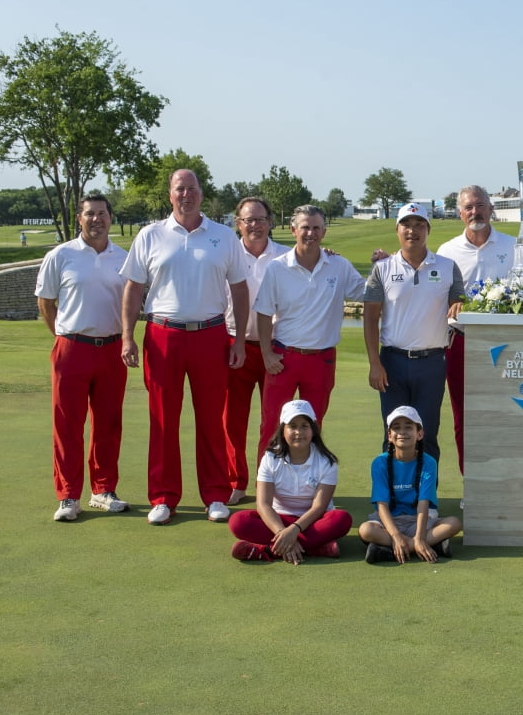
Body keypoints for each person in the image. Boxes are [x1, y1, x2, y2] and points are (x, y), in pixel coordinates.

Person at [120, 169, 249, 525]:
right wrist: (127, 335)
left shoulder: (223, 237)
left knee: (211, 419)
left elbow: (239, 289)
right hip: (163, 335)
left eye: (192, 189)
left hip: (211, 334)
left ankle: (216, 495)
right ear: (170, 194)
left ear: (202, 194)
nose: (186, 195)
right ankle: (163, 497)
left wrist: (238, 339)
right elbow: (133, 288)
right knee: (163, 419)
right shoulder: (150, 235)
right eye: (180, 189)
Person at [35, 194, 129, 521]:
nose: (96, 219)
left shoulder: (124, 257)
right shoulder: (61, 255)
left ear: (110, 217)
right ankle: (68, 496)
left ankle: (103, 490)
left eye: (102, 213)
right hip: (72, 348)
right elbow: (46, 301)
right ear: (79, 218)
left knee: (108, 424)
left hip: (113, 350)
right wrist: (62, 334)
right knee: (68, 424)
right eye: (89, 214)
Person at [255, 204, 366, 456]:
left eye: (316, 228)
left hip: (322, 358)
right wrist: (266, 353)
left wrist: (384, 265)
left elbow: (366, 292)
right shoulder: (277, 267)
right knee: (272, 425)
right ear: (294, 230)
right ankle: (268, 488)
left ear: (324, 232)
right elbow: (263, 313)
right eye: (305, 227)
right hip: (283, 357)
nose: (310, 233)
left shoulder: (339, 265)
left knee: (312, 427)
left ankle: (309, 487)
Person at [363, 203, 464, 465]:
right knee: (393, 433)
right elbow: (371, 318)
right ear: (397, 230)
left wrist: (459, 303)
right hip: (392, 362)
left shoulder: (447, 266)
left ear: (428, 229)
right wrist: (375, 363)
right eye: (407, 225)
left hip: (432, 362)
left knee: (427, 433)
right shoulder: (382, 268)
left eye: (419, 225)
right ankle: (390, 502)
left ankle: (427, 501)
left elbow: (458, 300)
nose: (413, 230)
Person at [436, 186, 516, 473]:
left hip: (504, 343)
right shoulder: (447, 251)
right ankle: (472, 482)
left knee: (506, 413)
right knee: (464, 417)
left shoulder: (513, 246)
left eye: (480, 205)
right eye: (469, 207)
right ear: (460, 213)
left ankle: (503, 479)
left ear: (491, 208)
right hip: (461, 343)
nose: (475, 212)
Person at [227, 399, 353, 563]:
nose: (298, 432)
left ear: (313, 430)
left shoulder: (327, 461)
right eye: (292, 426)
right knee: (238, 522)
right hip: (278, 520)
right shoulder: (270, 458)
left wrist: (293, 531)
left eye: (304, 426)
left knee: (342, 519)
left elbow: (319, 507)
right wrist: (282, 532)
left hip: (314, 521)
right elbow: (263, 505)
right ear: (283, 430)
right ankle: (315, 549)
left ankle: (265, 550)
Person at [223, 197, 289, 506]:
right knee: (232, 419)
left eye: (261, 219)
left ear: (270, 222)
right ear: (238, 223)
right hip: (234, 344)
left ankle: (271, 481)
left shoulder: (287, 257)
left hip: (275, 349)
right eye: (248, 220)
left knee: (274, 421)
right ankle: (235, 482)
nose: (255, 225)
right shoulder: (224, 253)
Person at [359, 406, 463, 564]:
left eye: (408, 427)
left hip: (417, 521)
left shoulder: (429, 462)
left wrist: (420, 537)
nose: (402, 432)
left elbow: (423, 503)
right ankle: (429, 547)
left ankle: (391, 550)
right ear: (389, 436)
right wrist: (396, 535)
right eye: (396, 428)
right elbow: (382, 505)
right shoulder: (379, 463)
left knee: (454, 523)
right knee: (366, 530)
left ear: (419, 434)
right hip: (388, 523)